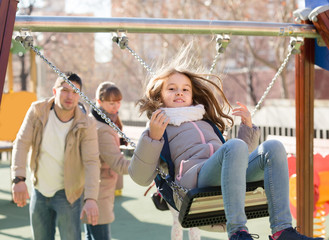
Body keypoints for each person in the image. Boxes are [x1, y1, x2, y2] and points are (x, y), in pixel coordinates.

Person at [128, 46, 324, 240]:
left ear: (192, 95)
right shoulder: (159, 126)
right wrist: (153, 138)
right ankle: (238, 232)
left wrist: (247, 128)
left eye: (185, 89)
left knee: (273, 147)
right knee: (233, 146)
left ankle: (283, 230)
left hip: (224, 173)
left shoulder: (205, 121)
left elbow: (237, 157)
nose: (179, 92)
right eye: (172, 89)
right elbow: (140, 177)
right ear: (159, 95)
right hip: (196, 179)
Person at [11, 72, 100, 240]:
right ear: (54, 91)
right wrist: (18, 179)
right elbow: (21, 143)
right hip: (39, 190)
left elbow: (91, 162)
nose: (70, 96)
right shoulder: (37, 111)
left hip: (68, 194)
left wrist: (91, 198)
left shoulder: (86, 123)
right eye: (65, 90)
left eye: (75, 92)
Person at [85, 82, 130, 240]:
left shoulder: (102, 121)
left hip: (94, 187)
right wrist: (145, 165)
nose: (116, 106)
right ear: (99, 101)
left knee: (91, 232)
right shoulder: (102, 128)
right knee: (100, 234)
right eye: (111, 103)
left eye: (118, 102)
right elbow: (118, 164)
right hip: (99, 188)